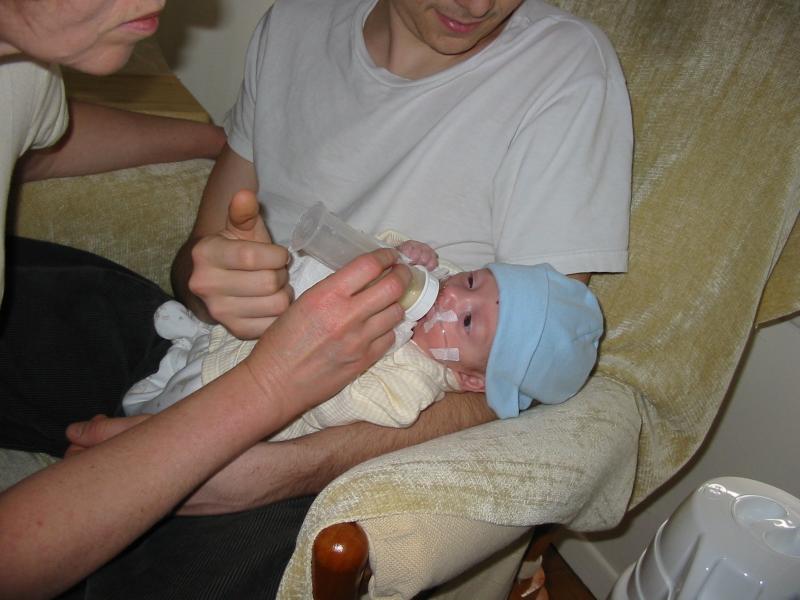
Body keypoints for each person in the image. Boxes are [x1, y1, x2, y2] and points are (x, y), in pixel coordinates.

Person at [16, 0, 633, 596]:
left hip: (300, 442)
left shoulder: (560, 68)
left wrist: (279, 469)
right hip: (200, 349)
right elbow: (196, 264)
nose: (476, 5)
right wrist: (215, 284)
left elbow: (512, 383)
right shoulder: (292, 24)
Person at [0, 2, 414, 598]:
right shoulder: (299, 24)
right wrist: (268, 387)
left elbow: (40, 133)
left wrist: (221, 141)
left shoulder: (23, 69)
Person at [123, 229, 604, 434]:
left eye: (467, 322)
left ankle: (142, 423)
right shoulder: (432, 283)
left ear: (474, 379)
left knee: (174, 410)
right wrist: (405, 253)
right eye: (474, 281)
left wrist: (393, 332)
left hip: (232, 397)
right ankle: (193, 337)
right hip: (241, 334)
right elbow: (364, 247)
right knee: (215, 339)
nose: (453, 297)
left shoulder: (413, 384)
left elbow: (345, 406)